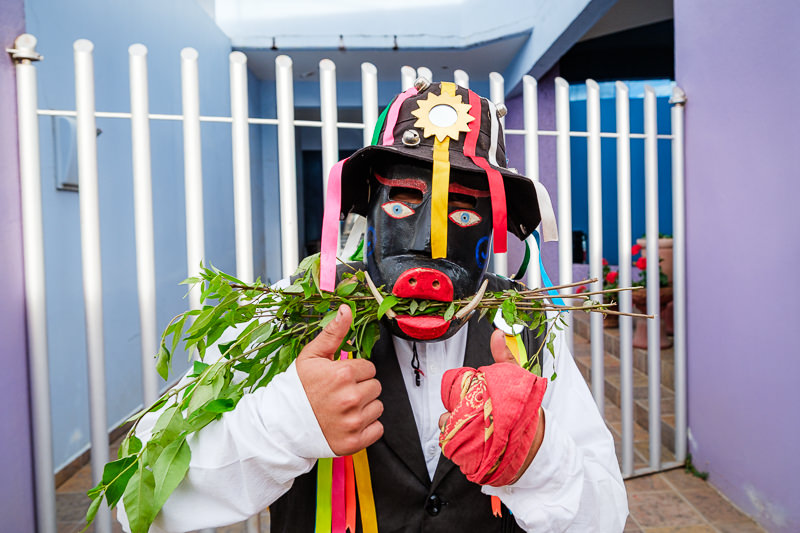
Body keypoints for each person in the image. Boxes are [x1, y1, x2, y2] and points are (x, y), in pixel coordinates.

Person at [118, 80, 627, 532]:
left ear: (496, 224)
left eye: (465, 212)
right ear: (367, 203)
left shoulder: (529, 328)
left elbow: (604, 518)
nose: (429, 244)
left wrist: (536, 456)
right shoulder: (291, 316)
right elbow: (139, 502)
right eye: (404, 203)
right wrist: (286, 420)